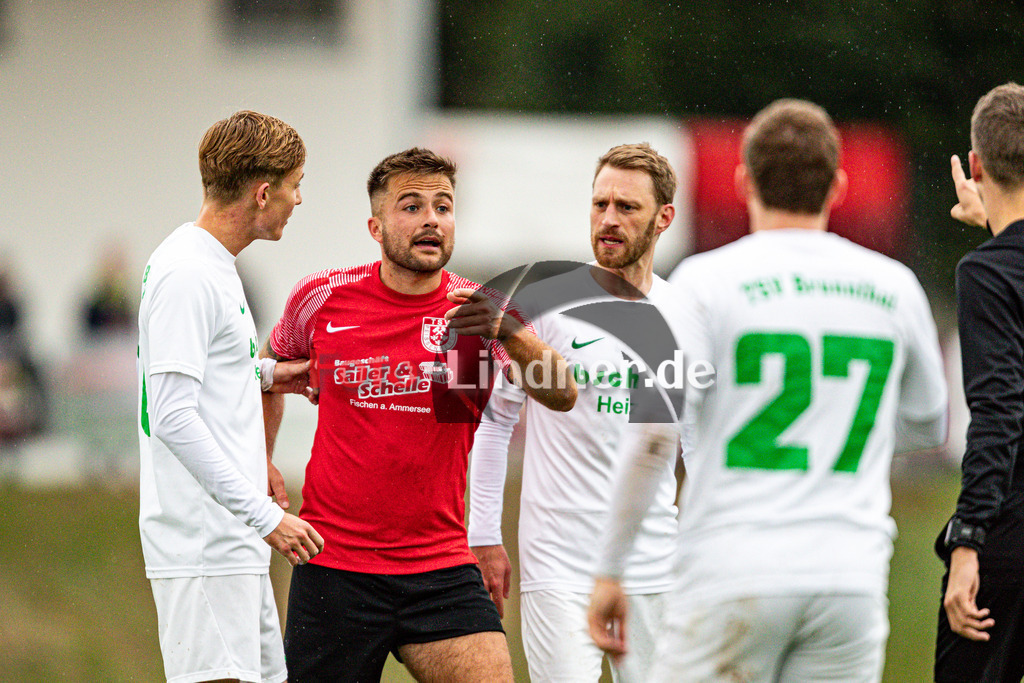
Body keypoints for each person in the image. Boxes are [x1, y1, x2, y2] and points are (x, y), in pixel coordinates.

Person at [588, 99, 949, 682]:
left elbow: (655, 433)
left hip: (734, 566)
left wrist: (609, 568)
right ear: (837, 186)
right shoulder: (895, 285)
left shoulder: (707, 280)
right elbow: (929, 422)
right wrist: (832, 432)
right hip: (848, 576)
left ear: (744, 182)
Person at [261, 147, 577, 682]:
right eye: (411, 206)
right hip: (334, 565)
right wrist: (262, 458)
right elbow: (267, 373)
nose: (431, 219)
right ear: (376, 227)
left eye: (443, 207)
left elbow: (563, 393)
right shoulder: (323, 297)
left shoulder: (479, 310)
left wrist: (510, 334)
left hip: (440, 569)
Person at [467, 143, 680, 682]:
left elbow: (699, 446)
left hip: (654, 564)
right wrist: (484, 534)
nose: (608, 219)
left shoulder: (684, 314)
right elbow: (495, 422)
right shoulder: (546, 300)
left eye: (626, 207)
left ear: (664, 218)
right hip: (557, 565)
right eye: (600, 203)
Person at [137, 110, 324, 683]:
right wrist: (265, 516)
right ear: (263, 193)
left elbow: (207, 376)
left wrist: (268, 375)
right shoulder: (188, 273)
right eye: (295, 186)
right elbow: (172, 415)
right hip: (205, 546)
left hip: (231, 544)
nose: (299, 200)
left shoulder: (212, 265)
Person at [935, 82, 1024, 683]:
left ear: (976, 165)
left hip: (1010, 533)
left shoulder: (987, 274)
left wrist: (967, 539)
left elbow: (999, 411)